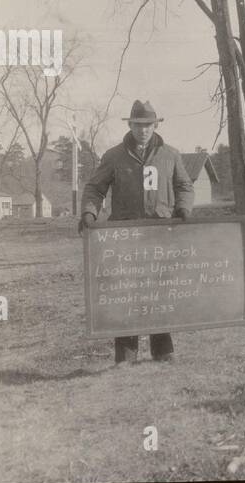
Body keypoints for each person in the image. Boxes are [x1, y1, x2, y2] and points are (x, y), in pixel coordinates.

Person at [79, 100, 194, 365]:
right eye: (138, 125)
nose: (143, 130)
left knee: (159, 289)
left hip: (160, 234)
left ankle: (163, 350)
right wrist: (89, 213)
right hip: (125, 237)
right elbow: (95, 188)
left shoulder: (171, 155)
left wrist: (183, 209)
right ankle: (125, 353)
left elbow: (185, 186)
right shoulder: (113, 156)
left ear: (155, 125)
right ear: (130, 125)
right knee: (126, 291)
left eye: (148, 125)